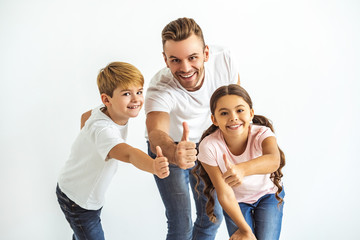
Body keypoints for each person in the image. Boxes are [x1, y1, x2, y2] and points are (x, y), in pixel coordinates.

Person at [145, 17, 241, 240]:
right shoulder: (160, 87)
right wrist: (173, 152)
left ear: (206, 54)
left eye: (193, 57)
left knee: (212, 216)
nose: (185, 68)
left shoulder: (224, 60)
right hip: (171, 148)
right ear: (165, 60)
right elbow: (156, 134)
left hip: (209, 143)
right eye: (175, 60)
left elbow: (236, 106)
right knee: (181, 223)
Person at [56, 62, 170, 240]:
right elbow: (129, 153)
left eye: (139, 91)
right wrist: (153, 166)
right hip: (78, 201)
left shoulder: (105, 112)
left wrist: (87, 144)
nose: (136, 99)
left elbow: (85, 116)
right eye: (126, 94)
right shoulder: (103, 130)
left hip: (77, 190)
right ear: (106, 99)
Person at [194, 84, 285, 240]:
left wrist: (242, 169)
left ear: (251, 114)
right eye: (224, 113)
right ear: (214, 119)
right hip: (236, 202)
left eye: (240, 110)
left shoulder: (263, 133)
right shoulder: (208, 146)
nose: (233, 117)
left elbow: (273, 160)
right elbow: (224, 193)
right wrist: (246, 231)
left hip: (268, 195)